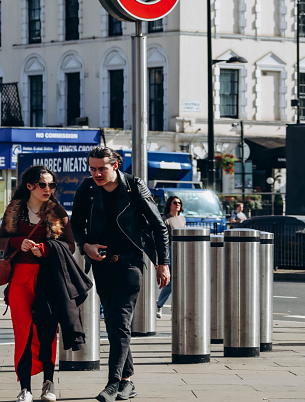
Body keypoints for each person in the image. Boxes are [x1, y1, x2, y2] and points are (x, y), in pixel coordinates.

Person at [71, 146, 170, 402]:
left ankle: (113, 383)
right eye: (92, 168)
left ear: (116, 165)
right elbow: (76, 225)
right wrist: (85, 246)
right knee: (114, 323)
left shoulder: (134, 186)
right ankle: (127, 381)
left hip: (130, 262)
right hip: (102, 264)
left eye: (101, 168)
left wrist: (163, 262)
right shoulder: (87, 189)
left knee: (121, 321)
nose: (96, 173)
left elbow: (159, 226)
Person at [0, 165, 91, 402]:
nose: (48, 189)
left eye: (52, 185)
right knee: (23, 333)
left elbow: (70, 246)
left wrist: (47, 248)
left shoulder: (58, 212)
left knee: (48, 332)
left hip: (49, 278)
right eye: (43, 184)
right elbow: (2, 241)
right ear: (29, 186)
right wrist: (18, 242)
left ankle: (48, 384)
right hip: (21, 278)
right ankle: (25, 389)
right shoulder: (14, 210)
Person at [156, 196, 186, 319]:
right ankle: (159, 304)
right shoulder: (165, 219)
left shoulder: (182, 219)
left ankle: (176, 305)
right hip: (169, 250)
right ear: (170, 204)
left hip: (181, 250)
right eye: (175, 202)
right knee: (169, 281)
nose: (177, 204)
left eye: (179, 202)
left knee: (180, 280)